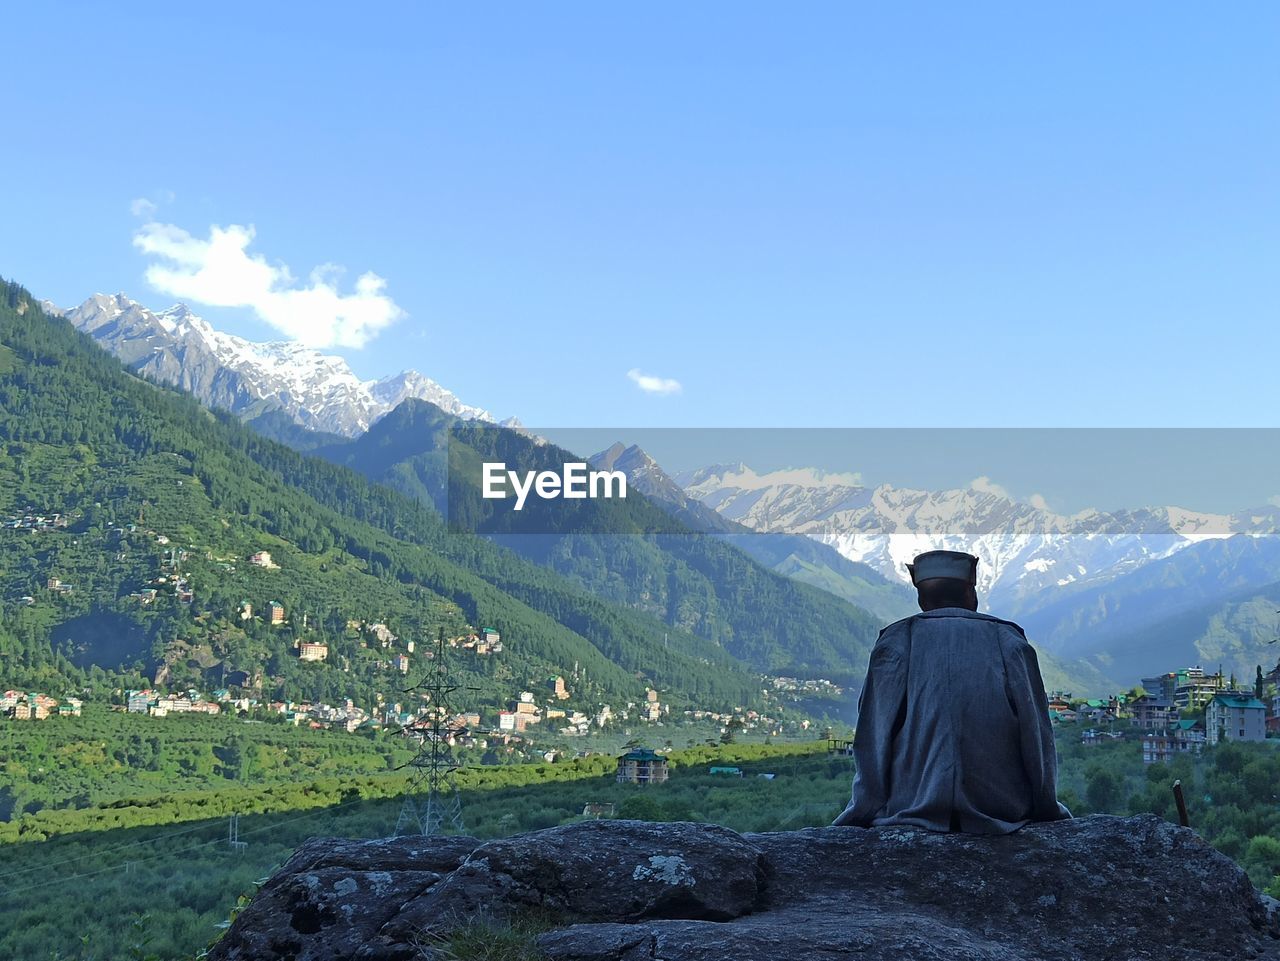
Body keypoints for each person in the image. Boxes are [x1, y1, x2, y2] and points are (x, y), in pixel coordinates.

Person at [832, 549, 1071, 834]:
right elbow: (1037, 735)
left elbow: (874, 737)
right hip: (1001, 810)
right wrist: (1045, 806)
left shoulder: (896, 641)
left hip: (910, 806)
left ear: (921, 598)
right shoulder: (1008, 640)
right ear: (971, 590)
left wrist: (863, 810)